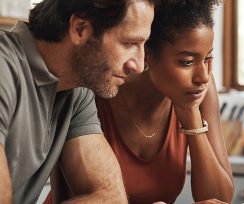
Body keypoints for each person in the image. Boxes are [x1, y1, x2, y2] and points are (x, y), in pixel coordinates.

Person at [0, 0, 156, 203]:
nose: (138, 65)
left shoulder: (76, 90)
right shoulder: (4, 68)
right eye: (130, 43)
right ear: (80, 29)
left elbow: (111, 197)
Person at [96, 0, 234, 203]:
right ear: (147, 54)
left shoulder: (198, 89)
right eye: (187, 62)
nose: (203, 76)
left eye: (207, 58)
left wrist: (191, 116)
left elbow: (220, 199)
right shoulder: (100, 90)